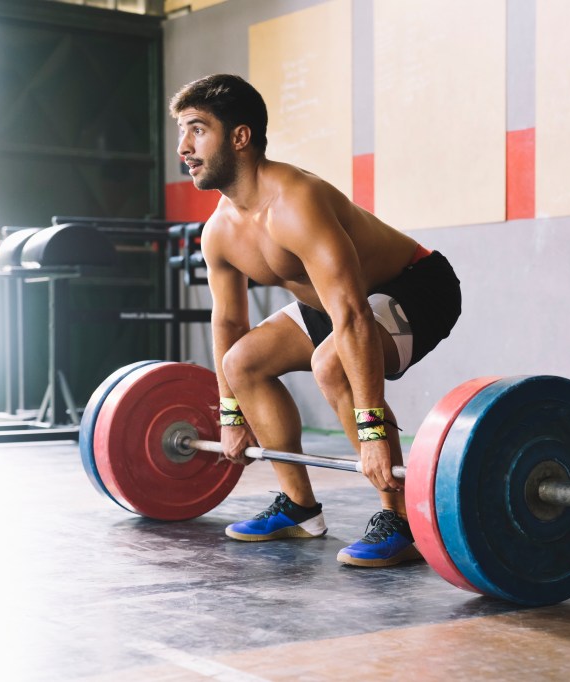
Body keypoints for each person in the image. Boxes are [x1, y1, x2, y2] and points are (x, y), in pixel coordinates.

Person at [169, 74, 461, 567]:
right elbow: (228, 326)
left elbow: (350, 315)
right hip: (337, 305)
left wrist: (371, 434)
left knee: (333, 363)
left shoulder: (296, 202)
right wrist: (230, 416)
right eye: (182, 132)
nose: (184, 148)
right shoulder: (219, 231)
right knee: (243, 364)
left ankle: (401, 520)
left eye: (196, 130)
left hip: (417, 285)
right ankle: (300, 508)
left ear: (240, 137)